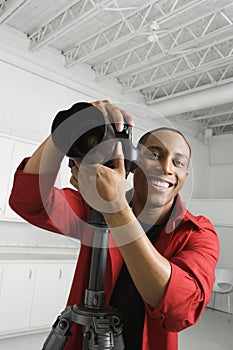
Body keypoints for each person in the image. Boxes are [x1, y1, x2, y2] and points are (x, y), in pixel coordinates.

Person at [9, 100, 219, 350]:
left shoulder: (197, 232)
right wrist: (65, 133)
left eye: (178, 162)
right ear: (134, 162)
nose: (166, 168)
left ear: (185, 175)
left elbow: (182, 306)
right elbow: (30, 201)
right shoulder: (94, 208)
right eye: (154, 154)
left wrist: (116, 208)